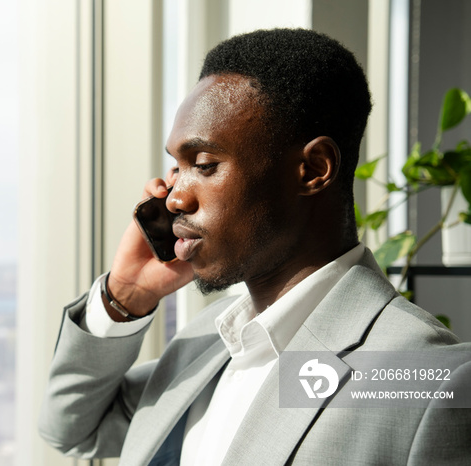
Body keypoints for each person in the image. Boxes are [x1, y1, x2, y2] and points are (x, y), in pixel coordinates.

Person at [38, 28, 471, 465]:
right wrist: (126, 297)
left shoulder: (426, 377)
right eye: (176, 167)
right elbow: (73, 430)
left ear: (312, 169)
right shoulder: (204, 343)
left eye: (204, 164)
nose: (174, 197)